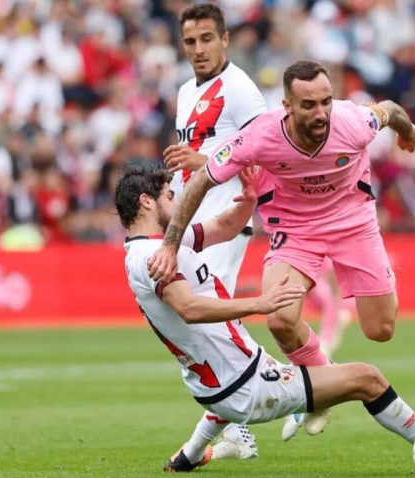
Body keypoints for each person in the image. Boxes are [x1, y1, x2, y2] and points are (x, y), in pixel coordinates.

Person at [115, 166, 415, 474]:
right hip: (246, 386)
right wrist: (263, 302)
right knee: (368, 379)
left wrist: (248, 199)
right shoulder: (151, 259)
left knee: (233, 397)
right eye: (171, 195)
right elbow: (190, 308)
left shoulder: (163, 244)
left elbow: (222, 227)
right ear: (147, 202)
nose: (179, 200)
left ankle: (188, 457)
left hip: (221, 382)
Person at [148, 59, 415, 438]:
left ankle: (322, 383)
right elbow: (200, 183)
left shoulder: (354, 121)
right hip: (296, 230)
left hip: (354, 224)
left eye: (326, 101)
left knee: (381, 330)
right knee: (279, 317)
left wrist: (406, 132)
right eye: (309, 105)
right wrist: (170, 244)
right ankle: (324, 383)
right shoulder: (260, 136)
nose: (322, 112)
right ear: (288, 107)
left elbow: (389, 110)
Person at [164, 3, 268, 458]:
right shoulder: (187, 90)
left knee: (209, 322)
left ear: (225, 39)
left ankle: (300, 386)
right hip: (191, 224)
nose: (199, 49)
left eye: (207, 39)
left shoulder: (242, 90)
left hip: (224, 224)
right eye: (191, 41)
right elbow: (188, 166)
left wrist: (205, 163)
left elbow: (265, 158)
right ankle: (243, 421)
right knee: (212, 324)